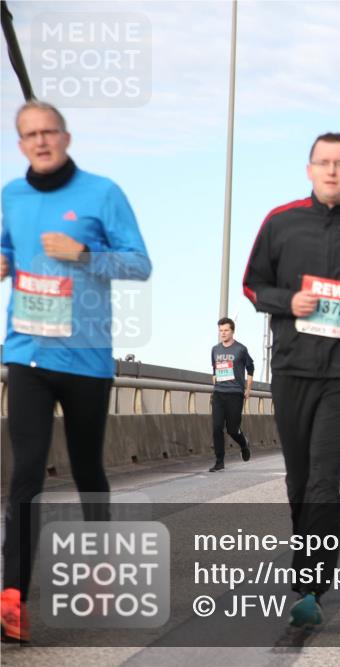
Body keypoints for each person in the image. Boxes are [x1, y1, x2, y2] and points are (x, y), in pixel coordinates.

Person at [1, 101, 152, 643]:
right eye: (28, 135)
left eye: (48, 132)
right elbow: (4, 252)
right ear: (21, 144)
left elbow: (139, 262)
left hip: (87, 358)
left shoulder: (102, 193)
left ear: (65, 136)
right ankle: (12, 595)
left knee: (88, 468)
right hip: (27, 356)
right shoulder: (11, 196)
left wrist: (85, 252)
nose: (40, 141)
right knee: (26, 473)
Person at [243, 131, 340, 628]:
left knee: (322, 477)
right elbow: (253, 284)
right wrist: (284, 302)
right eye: (324, 163)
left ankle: (310, 583)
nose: (332, 171)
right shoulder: (281, 221)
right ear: (310, 169)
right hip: (293, 368)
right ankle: (307, 559)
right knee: (297, 480)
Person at [209, 317, 254, 471]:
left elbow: (250, 368)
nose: (223, 333)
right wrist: (215, 383)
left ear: (232, 331)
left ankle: (243, 444)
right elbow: (214, 370)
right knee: (216, 428)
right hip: (219, 393)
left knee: (232, 429)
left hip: (235, 393)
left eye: (226, 330)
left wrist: (248, 389)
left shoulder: (241, 349)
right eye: (221, 330)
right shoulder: (215, 349)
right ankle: (219, 462)